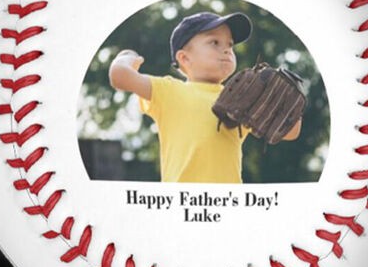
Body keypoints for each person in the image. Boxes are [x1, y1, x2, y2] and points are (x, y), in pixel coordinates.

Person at [108, 11, 302, 183]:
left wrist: (289, 101)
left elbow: (290, 132)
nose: (227, 50)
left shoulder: (240, 99)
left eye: (230, 45)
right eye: (214, 42)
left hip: (227, 204)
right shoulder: (169, 90)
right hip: (182, 204)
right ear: (184, 58)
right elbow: (119, 76)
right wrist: (126, 57)